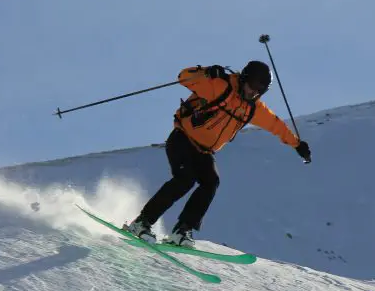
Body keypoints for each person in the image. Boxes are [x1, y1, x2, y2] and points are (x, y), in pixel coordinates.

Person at [124, 61, 311, 247]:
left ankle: (183, 230)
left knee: (211, 182)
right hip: (183, 139)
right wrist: (206, 72)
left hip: (204, 151)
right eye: (253, 86)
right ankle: (142, 222)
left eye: (260, 90)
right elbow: (183, 77)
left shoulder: (253, 108)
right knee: (185, 179)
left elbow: (275, 125)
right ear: (245, 78)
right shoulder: (220, 86)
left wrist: (296, 144)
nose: (254, 92)